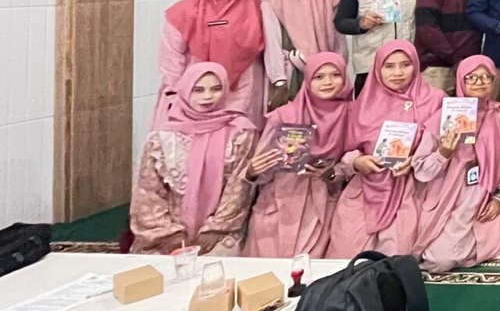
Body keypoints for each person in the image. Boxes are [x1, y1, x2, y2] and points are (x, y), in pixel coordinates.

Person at [326, 40, 441, 257]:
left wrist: (415, 160)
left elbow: (442, 148)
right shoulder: (364, 103)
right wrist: (357, 161)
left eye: (405, 65)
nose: (398, 73)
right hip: (367, 187)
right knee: (346, 253)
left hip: (412, 187)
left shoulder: (434, 99)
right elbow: (345, 150)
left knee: (396, 253)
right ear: (378, 69)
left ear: (416, 65)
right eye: (389, 66)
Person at [131, 62, 257, 256]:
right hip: (166, 233)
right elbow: (148, 193)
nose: (208, 96)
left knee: (220, 265)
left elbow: (238, 188)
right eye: (198, 90)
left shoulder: (239, 133)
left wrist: (215, 229)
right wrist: (170, 235)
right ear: (185, 90)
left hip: (222, 231)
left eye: (216, 89)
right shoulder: (163, 138)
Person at [243, 52, 352, 259]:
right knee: (269, 269)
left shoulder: (351, 114)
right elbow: (261, 167)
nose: (328, 82)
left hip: (323, 204)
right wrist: (253, 172)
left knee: (311, 271)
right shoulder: (283, 115)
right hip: (279, 202)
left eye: (335, 75)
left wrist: (332, 173)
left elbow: (351, 164)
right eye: (319, 77)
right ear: (308, 79)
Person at [154, 0, 280, 129]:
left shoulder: (260, 9)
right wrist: (175, 91)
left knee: (239, 138)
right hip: (198, 90)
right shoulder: (186, 11)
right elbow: (171, 56)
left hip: (244, 90)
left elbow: (273, 51)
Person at [413, 55, 500, 273]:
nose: (480, 82)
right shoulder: (443, 117)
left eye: (486, 77)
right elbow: (421, 169)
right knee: (437, 260)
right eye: (472, 77)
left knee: (491, 241)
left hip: (484, 195)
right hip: (447, 196)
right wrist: (443, 153)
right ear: (460, 80)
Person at [262, 0, 341, 110]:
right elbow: (272, 42)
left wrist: (338, 68)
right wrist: (279, 79)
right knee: (295, 121)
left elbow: (339, 41)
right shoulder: (273, 0)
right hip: (292, 73)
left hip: (326, 72)